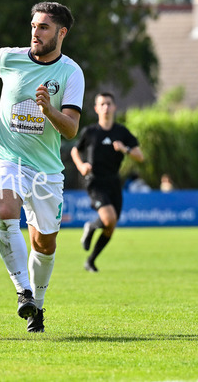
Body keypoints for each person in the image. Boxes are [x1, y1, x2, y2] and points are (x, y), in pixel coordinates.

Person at [0, 2, 84, 333]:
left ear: (61, 33)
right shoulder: (8, 57)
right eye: (34, 26)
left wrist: (49, 111)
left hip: (47, 170)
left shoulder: (71, 73)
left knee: (44, 245)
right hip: (6, 158)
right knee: (5, 212)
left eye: (44, 27)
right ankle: (24, 292)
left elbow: (71, 129)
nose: (35, 32)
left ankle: (38, 305)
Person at [71, 92, 144, 273]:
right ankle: (91, 227)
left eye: (109, 103)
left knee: (110, 227)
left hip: (114, 183)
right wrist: (81, 166)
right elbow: (75, 150)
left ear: (114, 107)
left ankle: (90, 261)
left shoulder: (121, 132)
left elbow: (140, 156)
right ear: (96, 109)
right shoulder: (90, 132)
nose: (106, 107)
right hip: (95, 182)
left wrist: (125, 149)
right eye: (102, 104)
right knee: (108, 219)